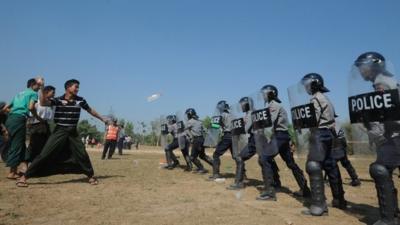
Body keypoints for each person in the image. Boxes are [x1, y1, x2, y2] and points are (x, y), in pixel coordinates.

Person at [17, 79, 106, 187]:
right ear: (68, 88)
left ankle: (90, 176)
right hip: (60, 131)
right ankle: (24, 177)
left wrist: (102, 118)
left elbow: (90, 110)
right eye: (76, 87)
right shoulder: (58, 100)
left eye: (78, 87)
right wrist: (42, 87)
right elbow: (44, 102)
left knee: (82, 154)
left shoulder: (80, 100)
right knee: (45, 154)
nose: (78, 89)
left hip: (73, 132)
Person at [352, 52, 400, 225]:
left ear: (373, 66)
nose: (361, 71)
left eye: (363, 67)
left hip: (394, 136)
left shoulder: (381, 84)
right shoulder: (387, 81)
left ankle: (388, 219)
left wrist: (369, 123)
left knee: (379, 169)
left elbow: (388, 116)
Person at [299, 73, 347, 216]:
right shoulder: (325, 98)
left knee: (313, 165)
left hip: (319, 133)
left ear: (314, 84)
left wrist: (301, 123)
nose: (306, 87)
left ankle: (319, 206)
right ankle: (339, 199)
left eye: (307, 84)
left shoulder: (315, 99)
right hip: (328, 134)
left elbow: (314, 119)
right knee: (330, 166)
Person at [257, 85, 310, 201]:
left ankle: (270, 192)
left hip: (280, 136)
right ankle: (305, 189)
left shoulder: (274, 106)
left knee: (264, 158)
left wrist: (256, 122)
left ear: (271, 94)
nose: (263, 96)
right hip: (282, 136)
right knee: (291, 163)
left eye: (264, 94)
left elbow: (269, 121)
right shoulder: (272, 105)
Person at [226, 97, 281, 191]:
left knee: (240, 158)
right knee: (266, 159)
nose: (241, 107)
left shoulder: (251, 113)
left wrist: (236, 128)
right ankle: (276, 182)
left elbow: (246, 128)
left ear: (247, 104)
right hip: (259, 138)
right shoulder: (252, 112)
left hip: (256, 139)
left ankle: (239, 183)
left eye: (242, 105)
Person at [5, 78, 42, 180]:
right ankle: (12, 173)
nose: (39, 88)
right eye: (38, 86)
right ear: (32, 85)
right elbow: (31, 108)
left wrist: (14, 113)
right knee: (16, 145)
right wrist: (37, 117)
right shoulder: (34, 94)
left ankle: (23, 168)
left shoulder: (19, 93)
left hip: (10, 119)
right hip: (19, 120)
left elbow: (5, 108)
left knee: (19, 144)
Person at [25, 85, 56, 164]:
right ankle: (26, 161)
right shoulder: (37, 101)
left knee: (45, 144)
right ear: (46, 92)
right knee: (34, 144)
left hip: (45, 125)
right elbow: (31, 112)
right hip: (36, 124)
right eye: (53, 92)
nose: (54, 94)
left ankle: (38, 162)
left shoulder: (51, 103)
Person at [208, 101, 235, 180]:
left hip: (227, 136)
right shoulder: (233, 114)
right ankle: (243, 175)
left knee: (216, 155)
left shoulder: (222, 114)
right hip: (234, 136)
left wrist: (211, 125)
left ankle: (216, 174)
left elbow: (216, 125)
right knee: (236, 156)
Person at [184, 108, 213, 174]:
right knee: (202, 155)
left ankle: (201, 168)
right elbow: (205, 130)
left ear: (190, 114)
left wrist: (191, 137)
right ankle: (214, 164)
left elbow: (185, 130)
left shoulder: (190, 121)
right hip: (202, 140)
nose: (187, 116)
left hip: (196, 140)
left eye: (187, 115)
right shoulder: (200, 121)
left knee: (192, 157)